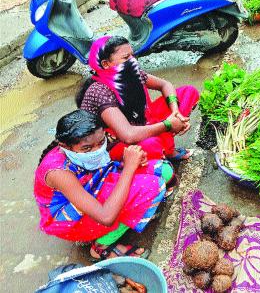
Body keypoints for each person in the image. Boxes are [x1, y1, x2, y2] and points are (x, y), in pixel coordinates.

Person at [34, 110, 175, 260]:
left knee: (164, 170)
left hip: (98, 184)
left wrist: (133, 159)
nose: (97, 150)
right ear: (66, 147)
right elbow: (106, 216)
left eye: (101, 142)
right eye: (87, 148)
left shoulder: (92, 143)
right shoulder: (58, 172)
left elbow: (109, 164)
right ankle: (101, 246)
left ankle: (135, 211)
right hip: (74, 216)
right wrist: (129, 167)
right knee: (153, 188)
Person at [76, 35, 200, 162]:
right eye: (126, 57)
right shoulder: (99, 90)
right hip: (116, 142)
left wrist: (175, 112)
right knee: (151, 144)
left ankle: (165, 149)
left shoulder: (132, 73)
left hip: (141, 123)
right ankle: (159, 153)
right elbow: (128, 135)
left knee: (188, 93)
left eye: (132, 55)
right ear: (106, 64)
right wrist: (168, 124)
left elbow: (165, 85)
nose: (133, 60)